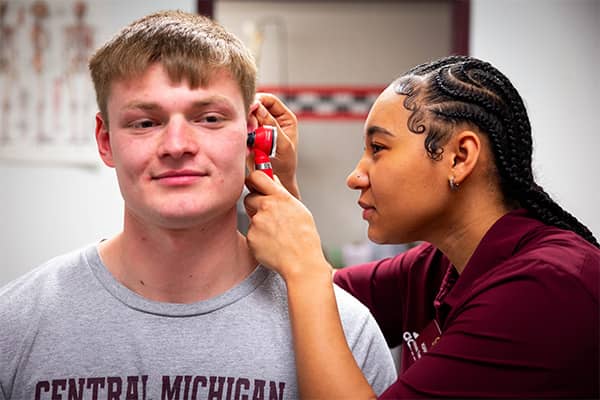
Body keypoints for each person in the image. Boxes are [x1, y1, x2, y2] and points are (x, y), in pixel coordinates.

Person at [0, 10, 397, 399]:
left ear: (254, 134)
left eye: (208, 118)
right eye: (144, 123)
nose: (177, 146)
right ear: (105, 141)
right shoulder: (15, 324)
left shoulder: (347, 333)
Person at [245, 55, 600, 398]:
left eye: (378, 148)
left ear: (459, 157)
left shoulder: (545, 287)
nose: (355, 176)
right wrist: (281, 182)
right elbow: (321, 299)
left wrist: (303, 268)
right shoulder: (441, 265)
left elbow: (309, 281)